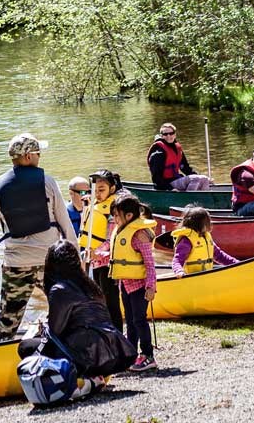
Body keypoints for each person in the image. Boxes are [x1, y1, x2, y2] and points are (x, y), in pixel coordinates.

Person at [0, 133, 77, 340]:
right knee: (64, 307)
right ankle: (67, 347)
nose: (40, 156)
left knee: (8, 319)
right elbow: (65, 222)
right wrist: (74, 254)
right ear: (29, 156)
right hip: (49, 259)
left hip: (16, 263)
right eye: (38, 152)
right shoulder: (47, 182)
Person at [17, 241, 137, 397]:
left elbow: (55, 331)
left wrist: (43, 329)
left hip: (89, 354)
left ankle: (69, 383)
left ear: (51, 265)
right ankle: (93, 377)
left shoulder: (59, 289)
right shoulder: (90, 285)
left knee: (25, 347)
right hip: (113, 351)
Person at [107, 194, 158, 372]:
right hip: (125, 285)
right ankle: (131, 354)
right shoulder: (121, 231)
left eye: (116, 215)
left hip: (140, 286)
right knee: (130, 320)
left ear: (129, 216)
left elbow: (150, 264)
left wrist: (151, 287)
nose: (114, 219)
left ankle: (148, 355)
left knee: (139, 320)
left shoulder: (139, 235)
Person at [78, 169, 123, 326]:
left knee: (111, 301)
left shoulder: (113, 209)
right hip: (95, 260)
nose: (97, 193)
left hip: (108, 262)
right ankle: (106, 331)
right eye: (95, 190)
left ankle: (117, 334)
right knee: (100, 299)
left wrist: (97, 252)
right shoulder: (95, 204)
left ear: (112, 189)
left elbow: (112, 239)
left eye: (101, 190)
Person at [169, 206, 238, 276]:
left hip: (205, 277)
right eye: (208, 222)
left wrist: (237, 263)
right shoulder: (186, 241)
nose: (210, 224)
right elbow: (177, 260)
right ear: (199, 224)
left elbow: (220, 256)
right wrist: (179, 271)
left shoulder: (206, 237)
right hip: (191, 278)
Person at [146, 123, 211, 191]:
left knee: (204, 179)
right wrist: (170, 188)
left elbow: (186, 168)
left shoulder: (177, 149)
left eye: (171, 133)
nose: (169, 136)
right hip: (166, 184)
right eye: (165, 134)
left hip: (177, 180)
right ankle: (189, 200)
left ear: (175, 134)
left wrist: (198, 176)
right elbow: (156, 178)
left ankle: (204, 199)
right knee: (197, 179)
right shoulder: (158, 153)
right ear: (162, 136)